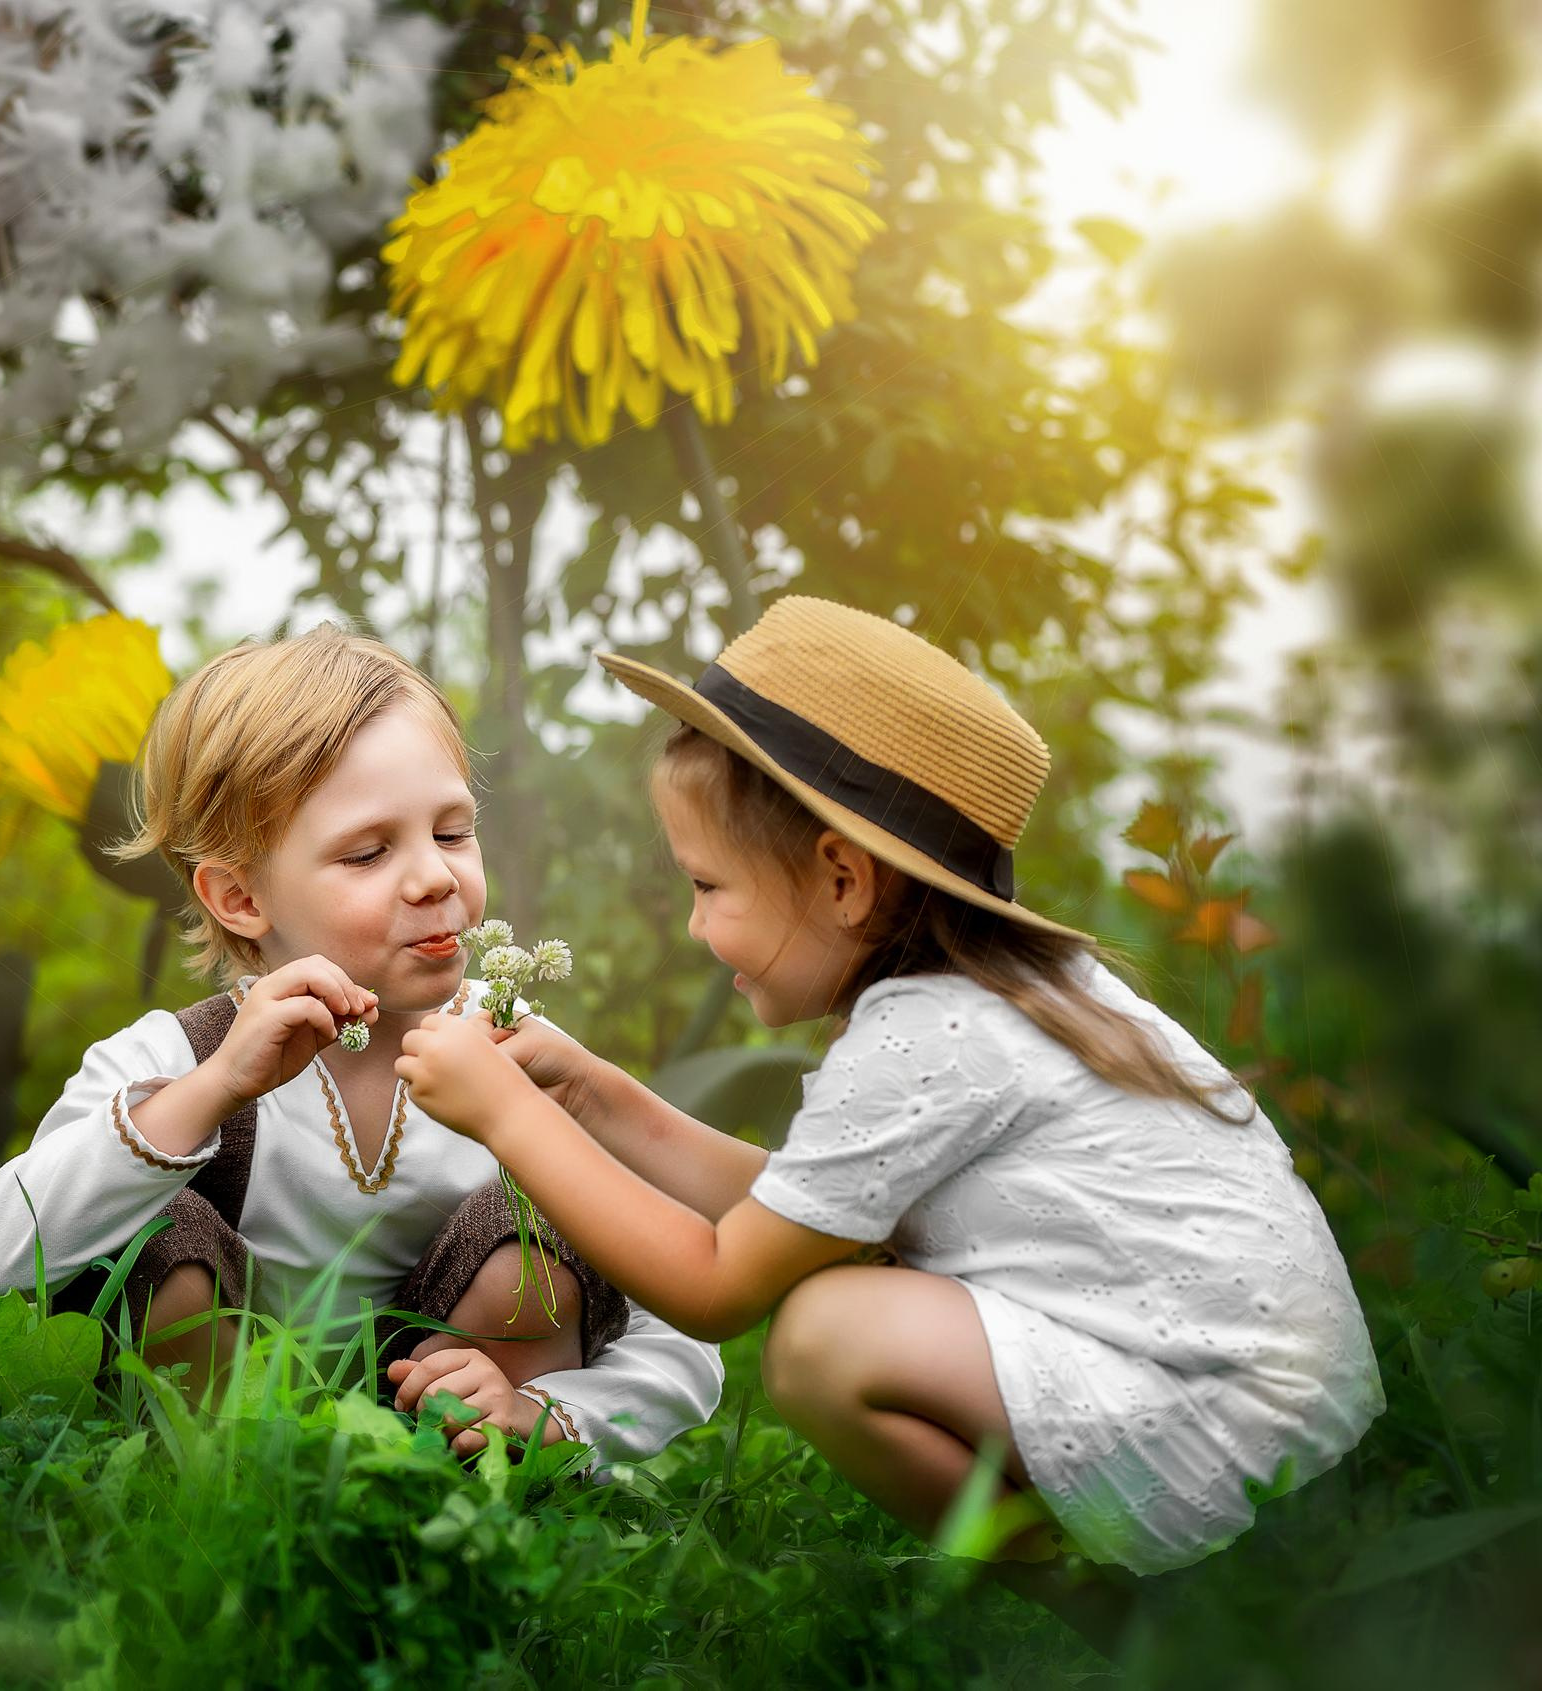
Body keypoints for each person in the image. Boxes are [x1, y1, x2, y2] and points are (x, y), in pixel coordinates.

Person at [395, 596, 1382, 1576]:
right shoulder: (989, 996)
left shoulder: (931, 1033)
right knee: (847, 1276)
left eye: (708, 886)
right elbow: (808, 1210)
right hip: (1280, 1400)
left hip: (1231, 1428)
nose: (697, 928)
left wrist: (508, 1112)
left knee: (825, 1336)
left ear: (841, 880)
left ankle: (1131, 1630)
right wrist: (593, 1093)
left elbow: (717, 1284)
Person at [0, 624, 723, 1459]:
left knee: (530, 1237)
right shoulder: (175, 1059)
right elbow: (0, 1254)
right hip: (235, 1448)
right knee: (161, 1236)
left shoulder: (529, 1058)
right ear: (241, 897)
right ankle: (220, 1501)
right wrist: (212, 1090)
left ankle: (497, 1506)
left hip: (457, 1457)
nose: (434, 875)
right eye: (367, 851)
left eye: (453, 831)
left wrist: (552, 1412)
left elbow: (686, 1320)